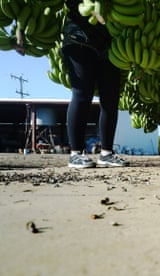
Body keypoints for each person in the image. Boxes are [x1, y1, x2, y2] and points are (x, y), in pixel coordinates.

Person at [62, 0, 129, 168]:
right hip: (79, 36)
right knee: (82, 94)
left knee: (111, 98)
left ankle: (106, 153)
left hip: (109, 40)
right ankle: (76, 153)